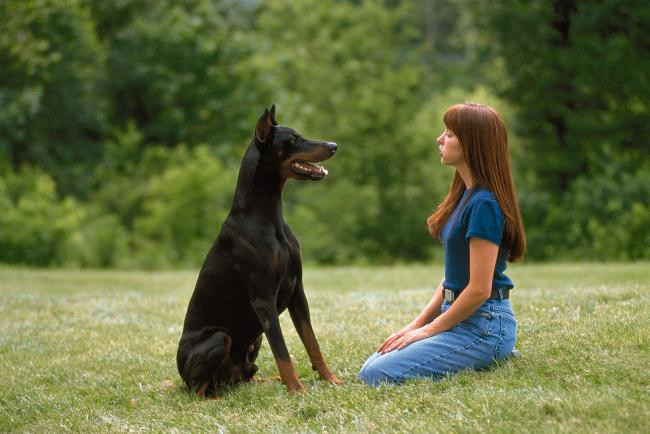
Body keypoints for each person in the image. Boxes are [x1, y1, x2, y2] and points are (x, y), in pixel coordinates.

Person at [360, 102, 526, 386]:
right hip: (460, 317)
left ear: (472, 144)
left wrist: (428, 332)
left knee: (376, 374)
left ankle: (496, 350)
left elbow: (478, 289)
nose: (440, 139)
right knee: (375, 362)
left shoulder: (485, 204)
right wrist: (417, 325)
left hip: (484, 325)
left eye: (449, 134)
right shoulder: (466, 195)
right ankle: (490, 352)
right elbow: (454, 279)